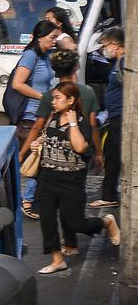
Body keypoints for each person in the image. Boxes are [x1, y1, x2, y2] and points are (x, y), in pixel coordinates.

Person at [31, 82, 119, 274]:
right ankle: (57, 260)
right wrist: (37, 143)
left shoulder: (81, 122)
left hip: (71, 181)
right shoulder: (52, 118)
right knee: (47, 220)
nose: (53, 102)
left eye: (57, 98)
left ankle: (106, 222)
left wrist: (72, 123)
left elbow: (80, 147)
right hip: (47, 178)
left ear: (71, 100)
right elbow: (46, 138)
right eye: (53, 97)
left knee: (76, 223)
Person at [21, 51, 101, 240]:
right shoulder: (88, 92)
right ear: (76, 68)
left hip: (55, 155)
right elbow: (93, 125)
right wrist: (98, 152)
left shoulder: (51, 95)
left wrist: (23, 151)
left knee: (59, 201)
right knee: (72, 200)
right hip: (81, 155)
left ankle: (70, 242)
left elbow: (37, 127)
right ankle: (70, 243)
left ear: (55, 71)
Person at [11, 20, 58, 220]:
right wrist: (43, 97)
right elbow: (17, 84)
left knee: (42, 160)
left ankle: (29, 198)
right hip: (30, 118)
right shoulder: (30, 56)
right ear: (40, 38)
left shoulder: (45, 56)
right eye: (52, 38)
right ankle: (27, 199)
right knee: (40, 160)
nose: (55, 41)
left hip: (42, 115)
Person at [94, 26, 124, 209]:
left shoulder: (124, 63)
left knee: (118, 156)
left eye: (105, 45)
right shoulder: (118, 63)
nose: (104, 49)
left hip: (122, 118)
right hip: (114, 117)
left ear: (115, 44)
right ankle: (109, 195)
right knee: (112, 156)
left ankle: (111, 194)